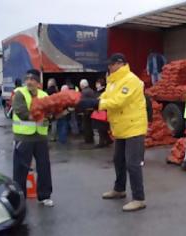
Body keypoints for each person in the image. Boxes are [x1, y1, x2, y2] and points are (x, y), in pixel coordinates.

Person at [80, 53, 148, 212]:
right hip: (121, 128)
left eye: (111, 64)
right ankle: (119, 189)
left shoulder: (131, 80)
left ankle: (139, 198)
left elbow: (119, 101)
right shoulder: (112, 82)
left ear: (120, 63)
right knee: (118, 160)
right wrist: (92, 102)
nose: (108, 67)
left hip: (134, 127)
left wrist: (97, 104)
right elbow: (105, 97)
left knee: (133, 164)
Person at [12, 69, 54, 207]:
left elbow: (50, 112)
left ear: (38, 83)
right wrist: (41, 115)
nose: (29, 82)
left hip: (40, 136)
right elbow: (21, 112)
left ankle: (44, 196)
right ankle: (20, 198)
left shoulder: (43, 94)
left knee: (44, 167)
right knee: (20, 169)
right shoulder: (19, 93)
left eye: (33, 79)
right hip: (24, 137)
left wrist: (55, 112)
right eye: (27, 79)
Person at [91, 78, 113, 148]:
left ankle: (101, 142)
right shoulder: (98, 91)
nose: (97, 85)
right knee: (102, 128)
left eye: (98, 83)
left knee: (101, 128)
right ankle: (108, 140)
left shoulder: (103, 92)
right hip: (99, 112)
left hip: (102, 112)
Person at [79, 79, 96, 144]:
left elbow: (82, 102)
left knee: (86, 126)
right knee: (90, 125)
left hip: (86, 111)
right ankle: (91, 138)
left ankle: (88, 139)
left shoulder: (83, 92)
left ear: (82, 85)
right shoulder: (91, 90)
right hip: (91, 110)